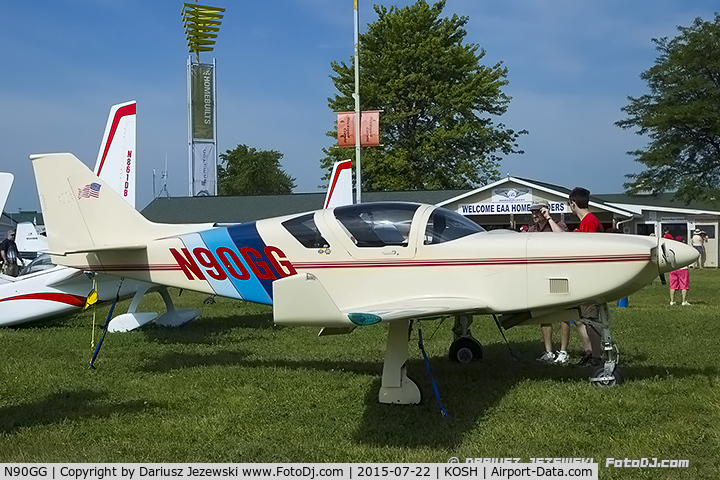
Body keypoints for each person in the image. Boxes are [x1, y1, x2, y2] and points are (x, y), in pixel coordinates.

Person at [526, 202, 571, 364]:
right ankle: (548, 351)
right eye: (532, 212)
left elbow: (563, 239)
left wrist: (549, 218)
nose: (534, 215)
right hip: (540, 276)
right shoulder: (532, 230)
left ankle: (564, 351)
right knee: (544, 315)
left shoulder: (559, 225)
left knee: (564, 314)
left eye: (537, 212)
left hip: (559, 275)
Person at [567, 187, 604, 367]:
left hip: (590, 279)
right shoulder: (587, 222)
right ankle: (590, 353)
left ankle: (596, 357)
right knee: (582, 320)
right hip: (584, 279)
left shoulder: (589, 221)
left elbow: (587, 251)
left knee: (591, 320)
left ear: (573, 203)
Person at [669, 235, 691, 305]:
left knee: (672, 285)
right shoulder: (684, 248)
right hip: (683, 268)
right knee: (684, 285)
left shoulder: (671, 248)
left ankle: (672, 301)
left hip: (673, 268)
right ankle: (684, 301)